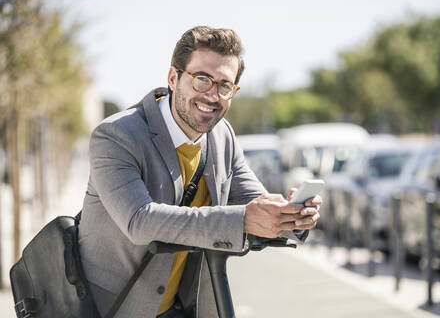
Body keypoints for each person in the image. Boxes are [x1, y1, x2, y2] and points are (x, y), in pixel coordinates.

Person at [78, 26, 321, 318]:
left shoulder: (223, 137)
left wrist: (291, 214)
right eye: (202, 79)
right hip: (115, 308)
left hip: (185, 306)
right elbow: (139, 221)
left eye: (224, 86)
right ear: (173, 78)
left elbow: (255, 201)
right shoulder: (116, 135)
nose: (212, 95)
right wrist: (244, 219)